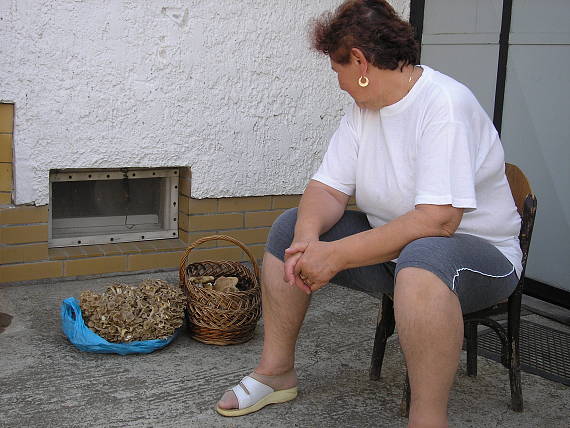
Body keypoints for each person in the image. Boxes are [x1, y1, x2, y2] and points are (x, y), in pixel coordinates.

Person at [216, 0, 522, 426]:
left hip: (479, 257)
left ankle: (427, 418)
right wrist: (308, 239)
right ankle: (276, 371)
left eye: (338, 69)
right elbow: (326, 188)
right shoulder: (364, 110)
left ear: (359, 61)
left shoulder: (445, 106)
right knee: (288, 227)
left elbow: (439, 221)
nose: (339, 82)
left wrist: (336, 256)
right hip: (399, 253)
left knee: (423, 260)